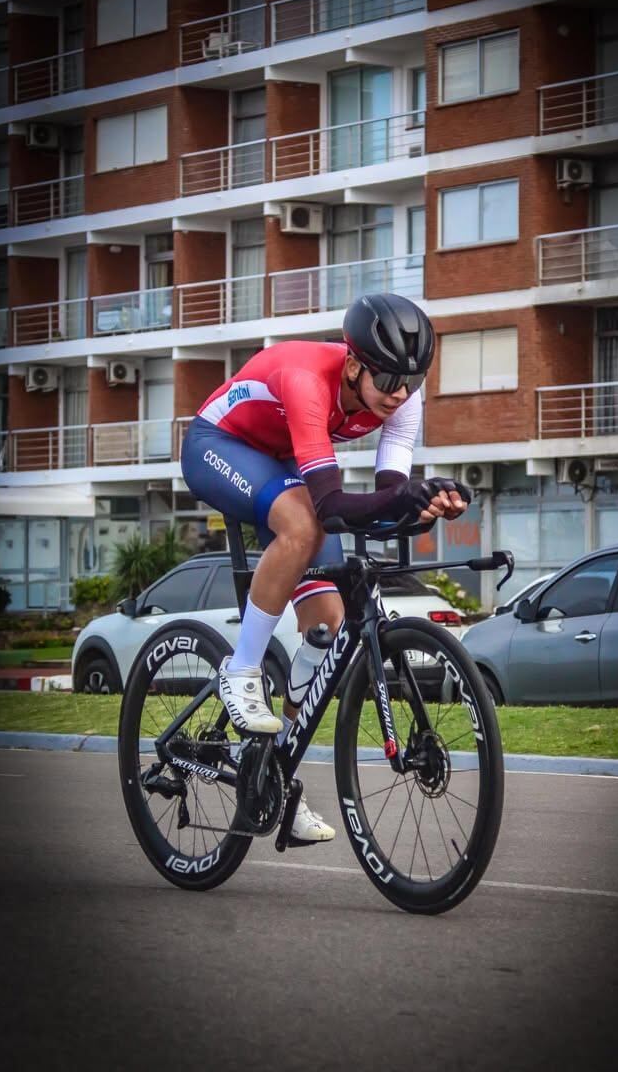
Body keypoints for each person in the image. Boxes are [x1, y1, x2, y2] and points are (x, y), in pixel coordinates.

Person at [181, 293, 469, 843]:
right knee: (307, 525)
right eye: (388, 381)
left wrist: (426, 506)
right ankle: (240, 671)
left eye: (412, 380)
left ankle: (272, 779)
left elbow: (387, 500)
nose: (401, 394)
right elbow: (334, 507)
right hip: (220, 443)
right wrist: (405, 501)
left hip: (284, 458)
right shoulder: (307, 380)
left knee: (329, 625)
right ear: (355, 363)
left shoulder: (400, 393)